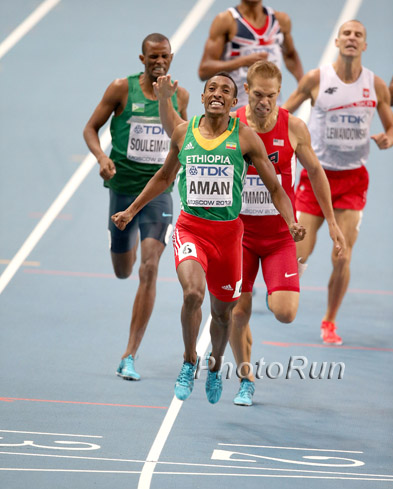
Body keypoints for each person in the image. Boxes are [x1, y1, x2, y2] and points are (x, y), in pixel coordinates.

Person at [112, 73, 305, 404]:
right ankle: (189, 362)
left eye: (225, 90)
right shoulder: (183, 132)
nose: (217, 93)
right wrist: (131, 211)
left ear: (234, 102)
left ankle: (214, 366)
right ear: (203, 98)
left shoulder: (245, 138)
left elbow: (275, 188)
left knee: (223, 314)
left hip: (228, 236)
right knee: (192, 294)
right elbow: (164, 177)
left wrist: (291, 221)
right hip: (191, 229)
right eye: (211, 89)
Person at [228, 61, 345, 405]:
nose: (264, 102)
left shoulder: (293, 127)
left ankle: (271, 288)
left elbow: (316, 172)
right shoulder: (230, 125)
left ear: (280, 93)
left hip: (280, 235)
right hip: (239, 236)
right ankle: (245, 378)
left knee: (285, 313)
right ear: (246, 90)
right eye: (258, 94)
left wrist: (332, 222)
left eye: (271, 95)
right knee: (238, 312)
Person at [283, 20, 393, 345]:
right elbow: (284, 113)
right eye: (346, 33)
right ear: (337, 41)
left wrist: (389, 138)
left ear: (364, 45)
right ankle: (283, 291)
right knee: (299, 254)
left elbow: (392, 127)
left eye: (358, 35)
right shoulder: (316, 79)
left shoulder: (375, 85)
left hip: (352, 181)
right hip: (315, 176)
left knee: (342, 256)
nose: (351, 38)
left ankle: (329, 321)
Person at [83, 33, 189, 381]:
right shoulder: (121, 89)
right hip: (123, 190)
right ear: (142, 59)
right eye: (153, 57)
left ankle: (129, 354)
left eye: (164, 56)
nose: (159, 62)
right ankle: (118, 244)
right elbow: (90, 129)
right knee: (123, 270)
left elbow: (185, 139)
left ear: (171, 58)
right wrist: (101, 157)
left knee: (149, 267)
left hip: (158, 192)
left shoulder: (180, 95)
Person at [198, 0, 303, 108]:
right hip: (237, 108)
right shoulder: (226, 21)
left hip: (270, 108)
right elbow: (204, 70)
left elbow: (290, 55)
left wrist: (302, 83)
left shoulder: (281, 21)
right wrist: (242, 61)